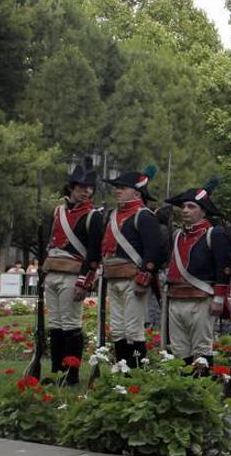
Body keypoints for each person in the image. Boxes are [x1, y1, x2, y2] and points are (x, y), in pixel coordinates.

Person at [43, 164, 103, 385]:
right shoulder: (58, 211)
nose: (86, 191)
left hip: (73, 275)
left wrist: (83, 282)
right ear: (71, 188)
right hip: (53, 273)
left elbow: (94, 253)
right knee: (55, 324)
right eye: (81, 187)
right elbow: (52, 241)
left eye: (89, 188)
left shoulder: (93, 216)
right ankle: (58, 372)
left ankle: (72, 375)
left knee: (70, 325)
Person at [164, 178, 231, 373]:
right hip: (176, 297)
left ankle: (201, 391)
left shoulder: (214, 234)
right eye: (184, 206)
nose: (185, 210)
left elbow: (224, 268)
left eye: (191, 206)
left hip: (201, 298)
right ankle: (184, 389)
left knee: (201, 349)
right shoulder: (177, 234)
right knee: (180, 350)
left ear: (203, 211)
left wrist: (219, 298)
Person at [101, 165, 164, 367]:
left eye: (123, 187)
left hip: (133, 278)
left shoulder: (143, 216)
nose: (117, 191)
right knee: (118, 329)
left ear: (136, 192)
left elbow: (154, 250)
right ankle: (122, 369)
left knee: (133, 329)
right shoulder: (112, 215)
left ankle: (136, 371)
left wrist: (144, 277)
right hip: (114, 276)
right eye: (117, 187)